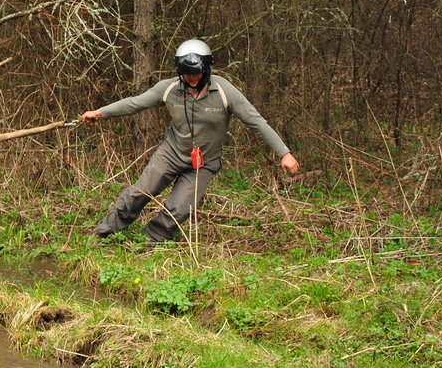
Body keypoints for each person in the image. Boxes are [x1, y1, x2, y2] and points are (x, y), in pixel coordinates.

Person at [81, 39, 300, 244]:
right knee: (140, 192)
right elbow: (135, 103)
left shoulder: (225, 91)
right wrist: (99, 113)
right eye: (187, 74)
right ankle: (105, 233)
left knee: (180, 208)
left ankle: (148, 241)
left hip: (203, 162)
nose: (193, 78)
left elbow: (256, 122)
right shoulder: (168, 88)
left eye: (197, 73)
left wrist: (284, 153)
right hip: (171, 153)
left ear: (207, 69)